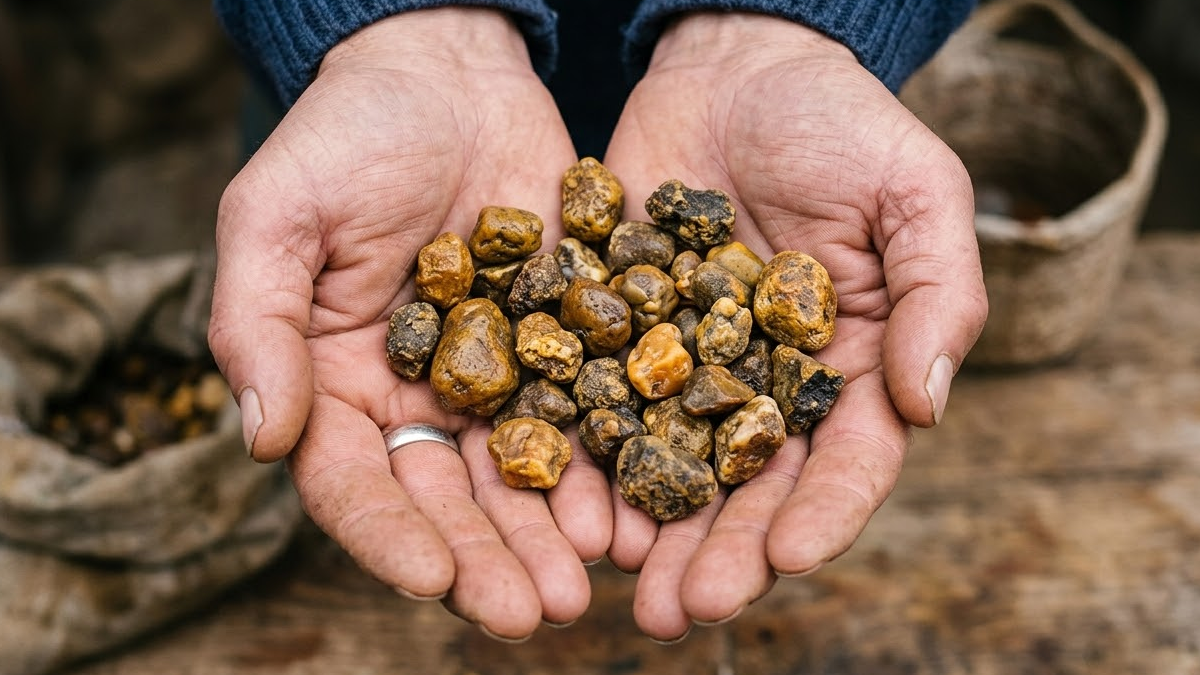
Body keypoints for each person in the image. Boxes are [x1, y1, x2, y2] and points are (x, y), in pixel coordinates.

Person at [207, 0, 988, 644]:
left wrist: (791, 25)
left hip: (743, 131)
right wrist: (384, 30)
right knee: (378, 501)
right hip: (371, 137)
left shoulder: (686, 320)